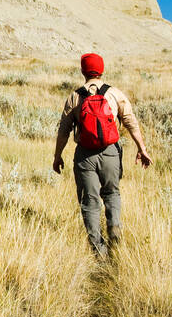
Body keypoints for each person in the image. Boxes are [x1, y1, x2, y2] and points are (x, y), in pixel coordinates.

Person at [52, 52, 152, 258]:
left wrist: (57, 156)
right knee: (112, 193)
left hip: (85, 156)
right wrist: (142, 149)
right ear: (102, 70)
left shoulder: (75, 96)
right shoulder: (114, 94)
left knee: (89, 200)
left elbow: (63, 131)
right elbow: (131, 122)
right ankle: (114, 229)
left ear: (83, 71)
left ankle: (98, 249)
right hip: (111, 153)